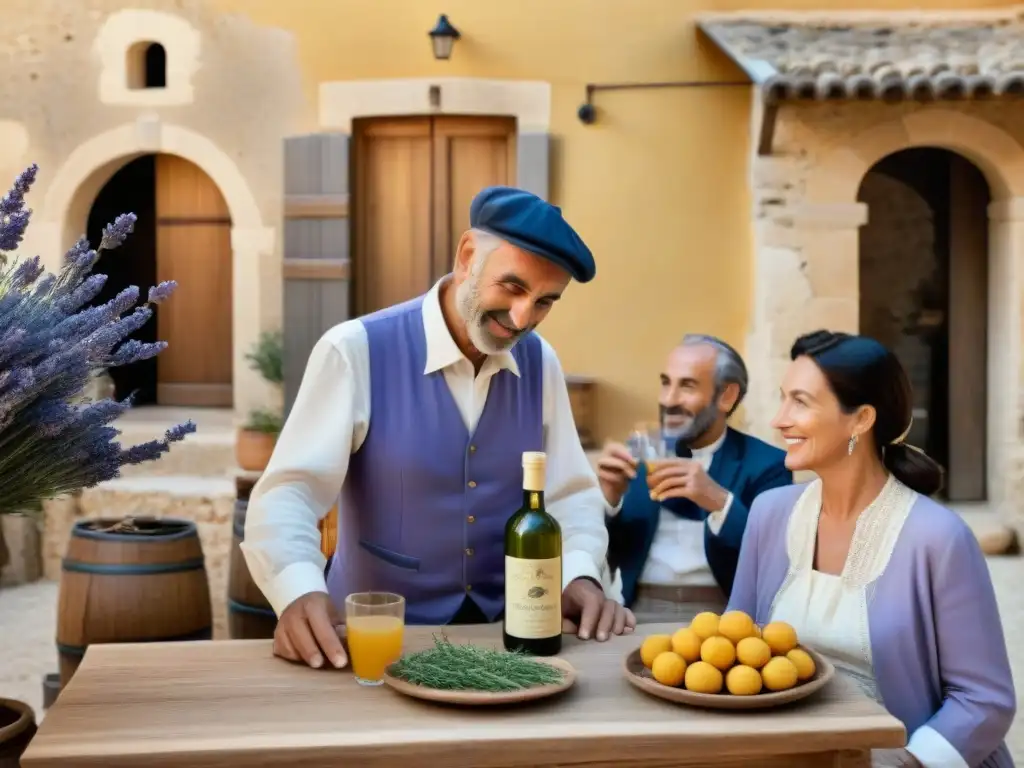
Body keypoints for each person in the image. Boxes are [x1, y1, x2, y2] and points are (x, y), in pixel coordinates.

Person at [242, 185, 636, 671]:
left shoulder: (541, 362)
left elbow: (570, 494)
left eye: (544, 302)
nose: (522, 318)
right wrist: (298, 590)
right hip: (376, 645)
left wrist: (578, 575)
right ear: (468, 255)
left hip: (506, 642)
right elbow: (289, 493)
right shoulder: (355, 350)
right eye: (513, 287)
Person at [729, 330, 1015, 768]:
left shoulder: (938, 537)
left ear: (861, 419)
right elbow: (734, 645)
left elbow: (984, 700)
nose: (779, 419)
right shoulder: (769, 515)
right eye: (783, 398)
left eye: (800, 402)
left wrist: (910, 764)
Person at [597, 335, 791, 623]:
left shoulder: (769, 464)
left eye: (686, 386)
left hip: (726, 615)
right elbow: (608, 547)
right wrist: (607, 499)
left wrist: (720, 502)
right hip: (635, 612)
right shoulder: (639, 452)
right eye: (666, 383)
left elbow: (775, 562)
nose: (669, 400)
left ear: (727, 396)